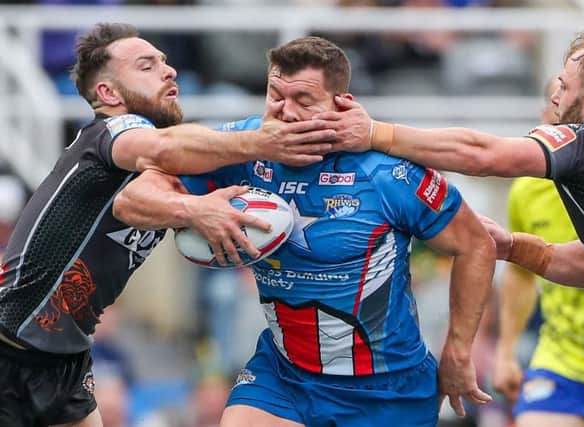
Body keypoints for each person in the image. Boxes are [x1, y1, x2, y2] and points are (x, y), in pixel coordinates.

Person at [113, 36, 495, 426]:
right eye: (275, 96)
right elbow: (132, 200)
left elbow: (476, 244)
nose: (285, 113)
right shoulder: (241, 148)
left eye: (303, 101)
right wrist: (193, 208)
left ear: (341, 104)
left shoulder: (387, 172)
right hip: (285, 374)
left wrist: (458, 350)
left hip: (388, 390)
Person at [0, 22, 336, 427]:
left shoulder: (162, 173)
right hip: (8, 346)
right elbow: (162, 147)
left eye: (165, 60)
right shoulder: (113, 132)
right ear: (108, 93)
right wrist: (265, 141)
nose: (169, 70)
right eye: (147, 66)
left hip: (66, 360)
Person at [321, 31, 584, 306]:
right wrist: (514, 248)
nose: (554, 98)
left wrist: (375, 133)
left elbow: (484, 154)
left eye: (564, 86)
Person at [493, 77, 584, 427]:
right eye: (552, 114)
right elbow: (520, 274)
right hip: (564, 363)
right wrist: (506, 352)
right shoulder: (527, 191)